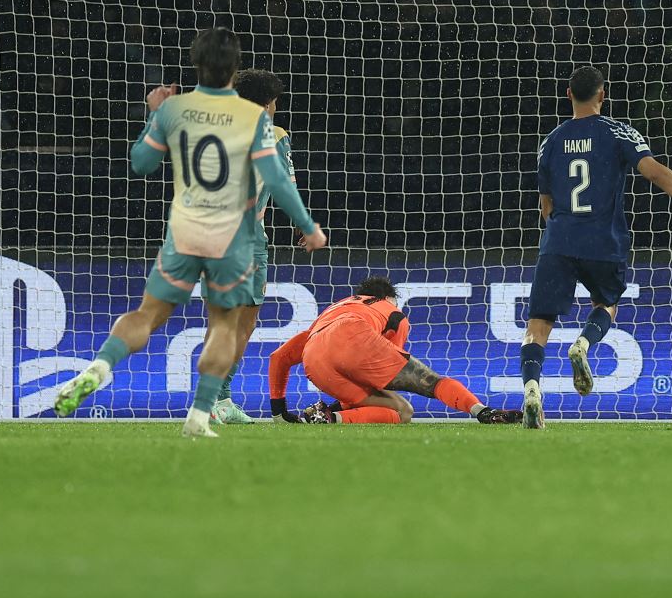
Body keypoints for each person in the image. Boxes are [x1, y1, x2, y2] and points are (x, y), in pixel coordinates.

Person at [51, 27, 327, 438]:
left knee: (146, 316)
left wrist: (153, 114)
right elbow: (279, 182)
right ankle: (201, 415)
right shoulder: (256, 121)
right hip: (237, 238)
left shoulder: (176, 110)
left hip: (185, 230)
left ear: (197, 65)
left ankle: (99, 367)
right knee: (224, 326)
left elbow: (142, 163)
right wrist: (309, 227)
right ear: (234, 68)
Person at [517, 65, 672, 429]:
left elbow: (545, 206)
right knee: (607, 304)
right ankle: (583, 344)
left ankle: (532, 390)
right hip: (603, 242)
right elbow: (655, 172)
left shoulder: (550, 141)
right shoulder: (617, 131)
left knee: (538, 325)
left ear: (568, 95)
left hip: (558, 241)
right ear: (602, 94)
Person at [267, 277, 520, 424]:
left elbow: (279, 357)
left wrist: (279, 413)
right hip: (355, 339)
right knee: (430, 384)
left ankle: (328, 417)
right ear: (389, 298)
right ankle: (483, 412)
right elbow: (385, 377)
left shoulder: (335, 309)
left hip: (316, 362)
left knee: (402, 411)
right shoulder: (392, 312)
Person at [202, 65, 295, 425]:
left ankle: (213, 397)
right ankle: (218, 399)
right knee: (242, 322)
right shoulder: (275, 134)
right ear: (269, 103)